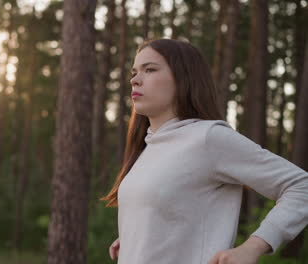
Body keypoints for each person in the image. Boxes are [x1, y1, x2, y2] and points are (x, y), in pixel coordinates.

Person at [99, 38, 308, 264]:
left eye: (149, 70)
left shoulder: (209, 138)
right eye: (134, 72)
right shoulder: (150, 146)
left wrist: (253, 247)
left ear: (183, 79)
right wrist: (142, 238)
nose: (135, 80)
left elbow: (301, 186)